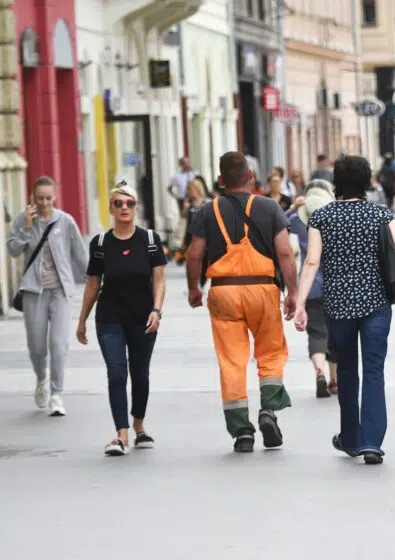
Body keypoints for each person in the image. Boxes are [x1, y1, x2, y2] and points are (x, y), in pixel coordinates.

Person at [294, 156, 395, 465]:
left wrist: (300, 302)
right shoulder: (379, 214)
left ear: (336, 183)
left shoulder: (321, 217)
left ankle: (350, 438)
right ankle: (372, 442)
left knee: (346, 371)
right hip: (375, 304)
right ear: (367, 182)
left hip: (338, 306)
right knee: (374, 370)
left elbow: (311, 262)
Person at [185, 152, 299, 453]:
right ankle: (268, 410)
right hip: (262, 290)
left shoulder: (207, 212)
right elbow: (285, 253)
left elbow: (194, 254)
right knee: (271, 351)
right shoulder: (269, 207)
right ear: (250, 176)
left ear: (220, 180)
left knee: (232, 360)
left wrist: (194, 288)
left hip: (223, 292)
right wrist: (293, 292)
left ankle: (242, 432)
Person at [76, 184, 166, 456]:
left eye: (129, 203)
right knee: (116, 373)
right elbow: (93, 284)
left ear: (136, 207)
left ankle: (139, 425)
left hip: (143, 318)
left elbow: (159, 281)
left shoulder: (150, 240)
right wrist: (82, 320)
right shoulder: (101, 244)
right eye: (118, 204)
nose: (124, 208)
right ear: (111, 209)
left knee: (140, 375)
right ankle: (121, 435)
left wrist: (156, 311)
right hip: (110, 318)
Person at [6, 176, 89, 416]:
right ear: (33, 197)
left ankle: (56, 394)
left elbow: (80, 255)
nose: (44, 203)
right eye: (40, 198)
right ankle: (42, 378)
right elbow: (13, 250)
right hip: (34, 291)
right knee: (36, 345)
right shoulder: (24, 219)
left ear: (55, 197)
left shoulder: (65, 221)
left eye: (48, 198)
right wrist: (26, 228)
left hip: (60, 290)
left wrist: (95, 279)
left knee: (59, 344)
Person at [287, 179, 338, 398]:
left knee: (316, 333)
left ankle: (319, 372)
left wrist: (293, 207)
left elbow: (278, 222)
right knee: (336, 333)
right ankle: (335, 381)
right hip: (335, 285)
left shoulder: (297, 221)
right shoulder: (335, 219)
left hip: (309, 285)